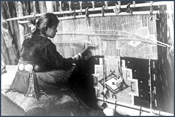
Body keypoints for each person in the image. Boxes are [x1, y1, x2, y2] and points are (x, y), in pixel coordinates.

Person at [9, 13, 99, 115]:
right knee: (74, 69)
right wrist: (79, 56)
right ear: (47, 28)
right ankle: (89, 105)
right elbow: (60, 63)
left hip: (21, 78)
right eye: (55, 28)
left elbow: (41, 61)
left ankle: (83, 104)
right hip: (34, 81)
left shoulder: (28, 39)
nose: (57, 30)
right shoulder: (45, 43)